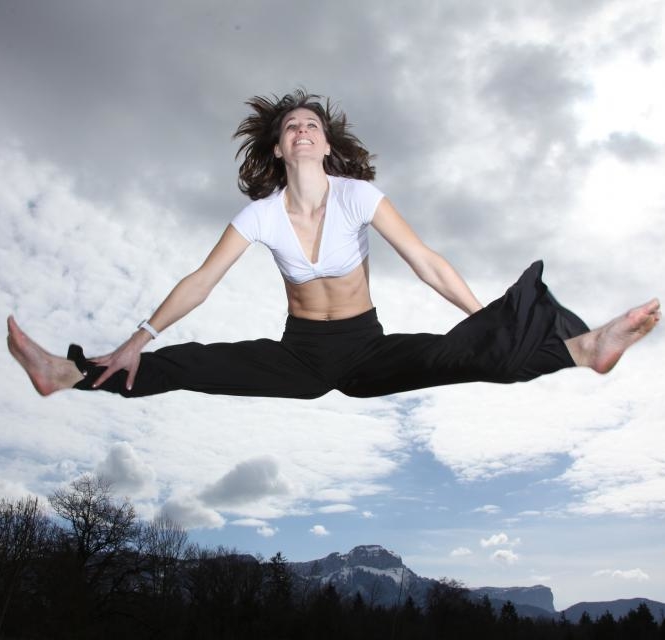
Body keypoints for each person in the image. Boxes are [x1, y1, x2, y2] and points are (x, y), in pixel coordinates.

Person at [7, 91, 661, 400]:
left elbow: (426, 262)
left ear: (324, 143)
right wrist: (137, 337)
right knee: (192, 364)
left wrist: (487, 324)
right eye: (291, 126)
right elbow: (201, 281)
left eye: (311, 125)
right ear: (278, 148)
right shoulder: (259, 216)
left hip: (366, 347)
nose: (301, 130)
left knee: (460, 356)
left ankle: (584, 348)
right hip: (298, 355)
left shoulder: (358, 197)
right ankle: (64, 374)